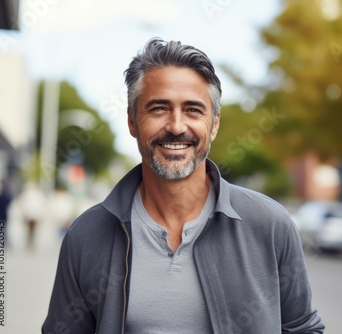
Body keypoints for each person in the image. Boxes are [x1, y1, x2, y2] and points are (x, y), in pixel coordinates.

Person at [42, 37, 324, 334]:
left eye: (193, 110)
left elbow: (303, 328)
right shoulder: (87, 235)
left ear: (214, 124)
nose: (176, 126)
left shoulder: (270, 225)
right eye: (159, 109)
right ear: (132, 121)